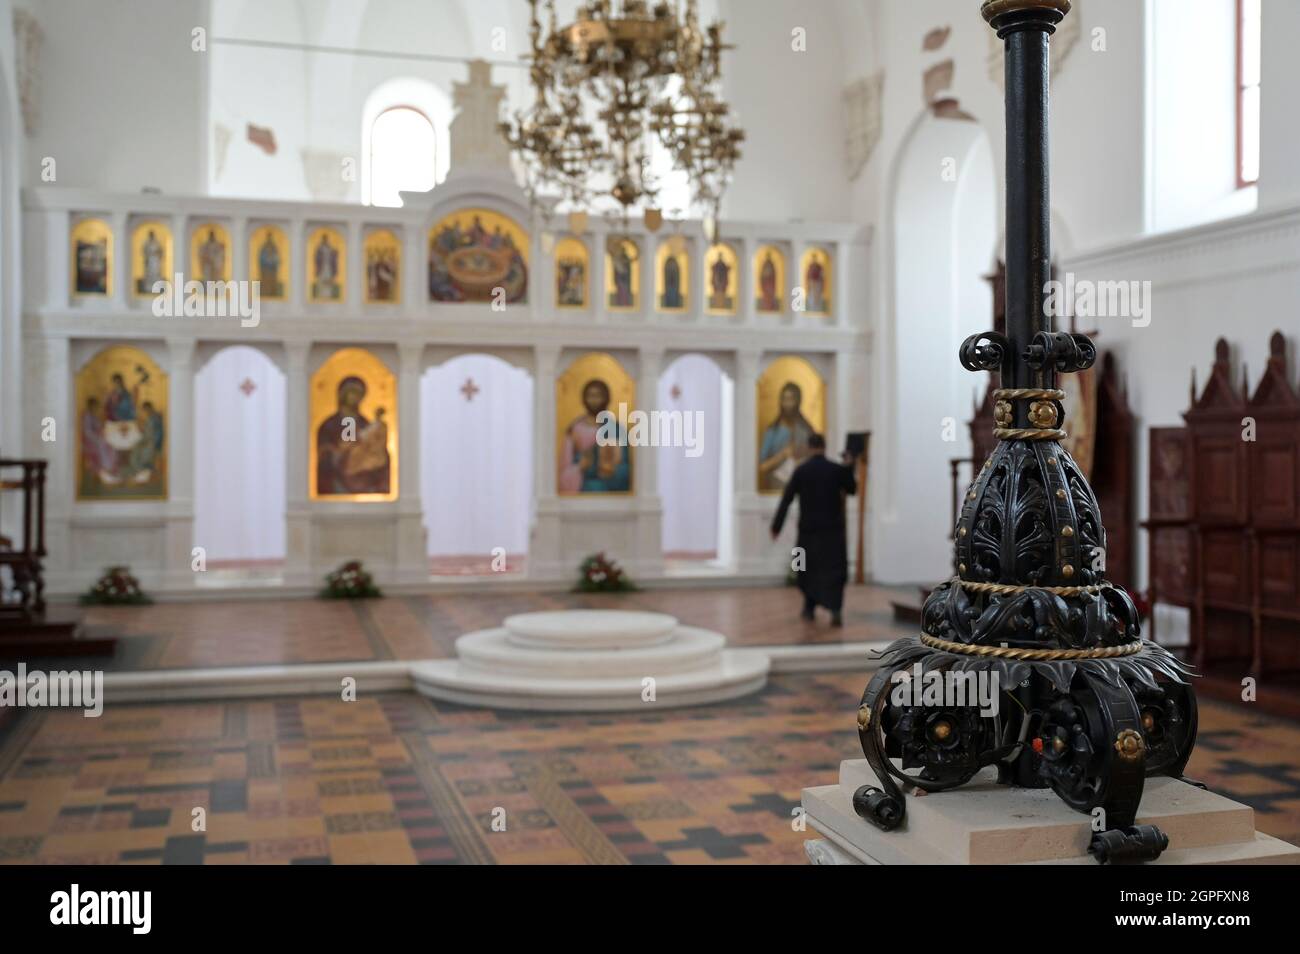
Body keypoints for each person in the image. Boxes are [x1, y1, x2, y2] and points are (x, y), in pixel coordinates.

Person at [770, 433, 857, 626]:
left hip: (808, 532)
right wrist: (850, 466)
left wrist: (776, 526)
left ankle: (809, 608)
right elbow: (852, 489)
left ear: (809, 447)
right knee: (834, 570)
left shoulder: (801, 471)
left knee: (805, 568)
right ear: (824, 447)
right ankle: (835, 610)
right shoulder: (836, 470)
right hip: (833, 532)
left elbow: (787, 499)